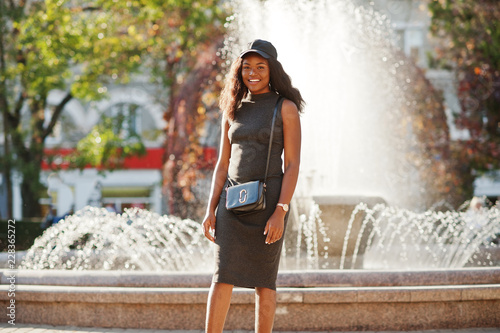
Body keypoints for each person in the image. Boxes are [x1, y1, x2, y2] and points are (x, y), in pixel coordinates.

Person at [202, 39, 304, 333]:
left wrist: (280, 212)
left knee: (264, 281)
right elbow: (222, 164)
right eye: (247, 67)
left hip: (269, 204)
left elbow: (293, 165)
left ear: (272, 70)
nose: (253, 73)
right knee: (222, 277)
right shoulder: (232, 108)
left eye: (260, 67)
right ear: (240, 71)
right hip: (231, 204)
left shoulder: (285, 108)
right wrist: (210, 209)